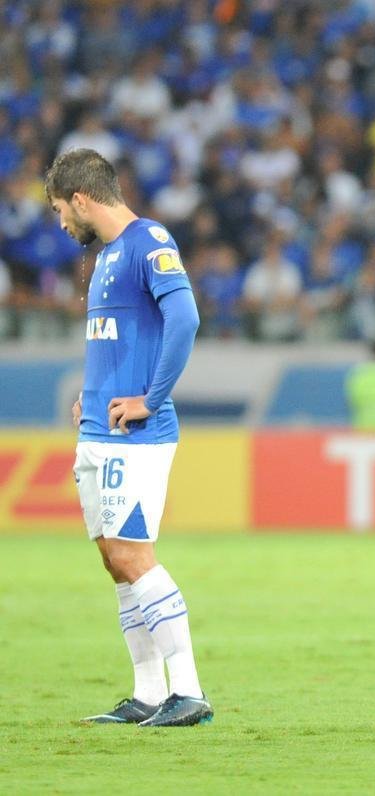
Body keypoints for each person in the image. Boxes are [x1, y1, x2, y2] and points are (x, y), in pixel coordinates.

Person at [45, 148, 211, 726]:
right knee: (114, 563)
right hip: (98, 429)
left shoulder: (149, 242)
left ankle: (188, 692)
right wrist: (91, 396)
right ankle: (147, 693)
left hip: (135, 436)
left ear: (83, 199)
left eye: (62, 210)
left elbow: (185, 320)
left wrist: (152, 399)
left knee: (133, 556)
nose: (61, 222)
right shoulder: (108, 256)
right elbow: (117, 339)